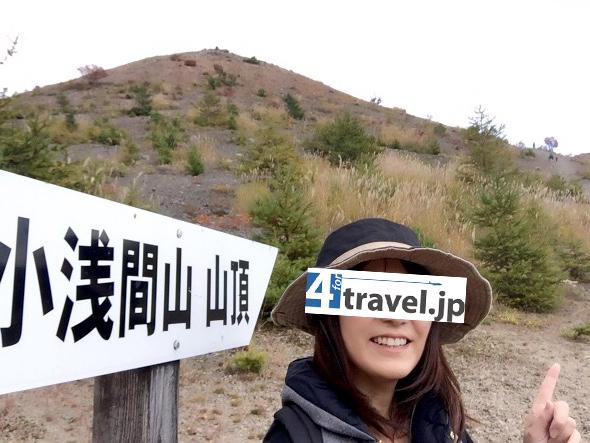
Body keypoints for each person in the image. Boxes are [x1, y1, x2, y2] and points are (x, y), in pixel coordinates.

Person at [264, 218, 580, 443]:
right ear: (330, 317)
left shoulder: (440, 420)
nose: (395, 317)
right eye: (368, 296)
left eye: (413, 299)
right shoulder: (294, 437)